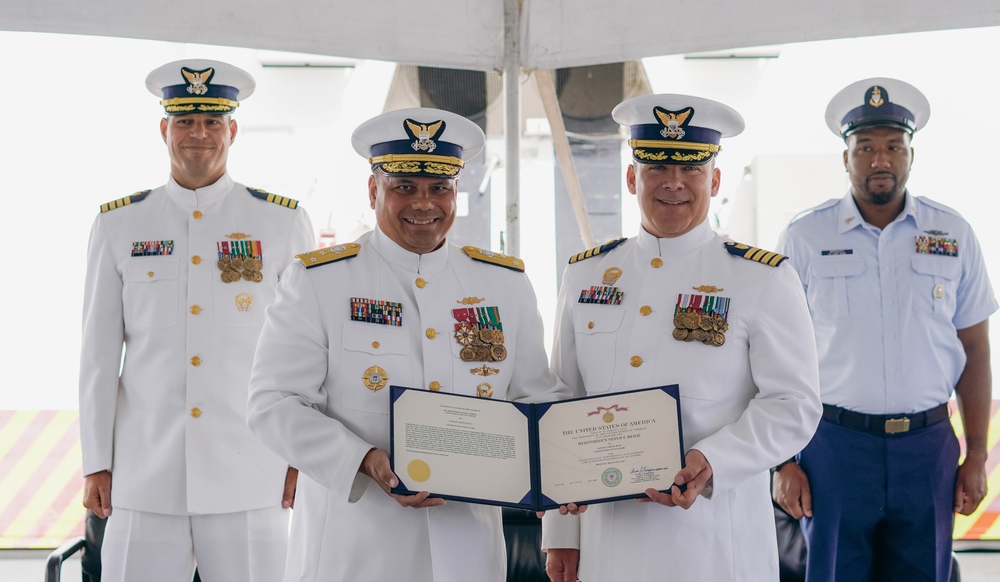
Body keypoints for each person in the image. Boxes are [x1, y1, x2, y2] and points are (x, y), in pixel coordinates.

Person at [246, 107, 571, 582]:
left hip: (468, 552)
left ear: (455, 190)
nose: (424, 203)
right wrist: (363, 460)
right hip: (354, 549)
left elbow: (534, 399)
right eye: (404, 187)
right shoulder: (320, 280)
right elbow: (272, 403)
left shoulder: (503, 284)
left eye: (439, 187)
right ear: (374, 189)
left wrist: (565, 465)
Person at [541, 93, 822, 582]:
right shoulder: (586, 275)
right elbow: (564, 401)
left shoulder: (760, 279)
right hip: (610, 540)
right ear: (632, 178)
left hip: (713, 541)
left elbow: (795, 403)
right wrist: (561, 536)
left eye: (691, 168)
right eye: (656, 166)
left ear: (714, 180)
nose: (673, 182)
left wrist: (714, 459)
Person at [79, 59, 315, 582]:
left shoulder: (280, 220)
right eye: (185, 121)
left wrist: (304, 454)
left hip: (253, 472)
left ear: (232, 129)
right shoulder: (120, 223)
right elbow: (97, 355)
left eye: (212, 121)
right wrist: (97, 460)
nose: (199, 134)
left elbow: (305, 353)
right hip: (144, 473)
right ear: (164, 129)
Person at [774, 77, 996, 581]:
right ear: (845, 158)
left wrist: (977, 454)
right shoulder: (804, 236)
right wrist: (783, 461)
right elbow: (778, 352)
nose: (880, 160)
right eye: (866, 147)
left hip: (928, 445)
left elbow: (976, 350)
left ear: (911, 156)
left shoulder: (953, 233)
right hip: (833, 446)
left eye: (894, 147)